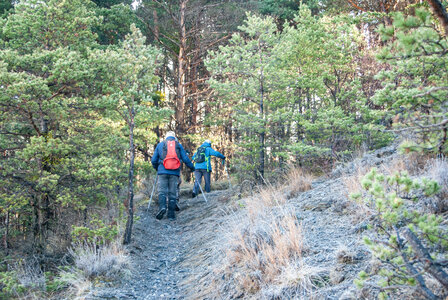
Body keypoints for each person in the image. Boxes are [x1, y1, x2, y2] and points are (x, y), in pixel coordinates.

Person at [151, 131, 195, 220]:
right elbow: (185, 158)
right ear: (174, 137)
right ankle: (171, 215)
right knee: (172, 192)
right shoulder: (178, 145)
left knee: (162, 191)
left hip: (162, 172)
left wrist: (157, 168)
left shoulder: (160, 145)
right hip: (174, 172)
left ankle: (162, 207)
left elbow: (153, 160)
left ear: (166, 137)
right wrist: (192, 167)